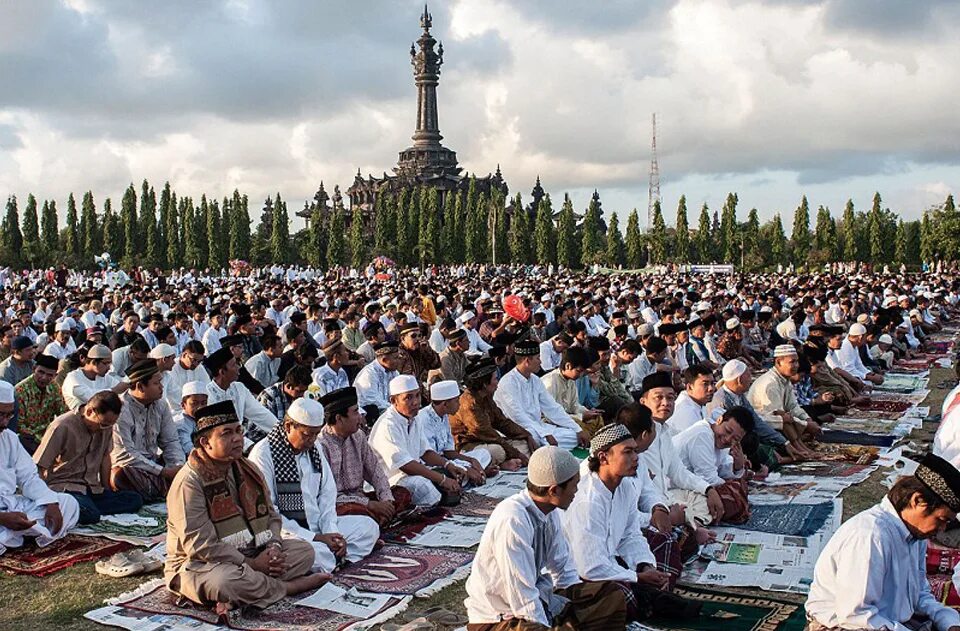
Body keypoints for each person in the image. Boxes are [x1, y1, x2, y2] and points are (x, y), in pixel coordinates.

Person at [164, 400, 327, 612]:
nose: (237, 439)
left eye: (239, 431)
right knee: (226, 582)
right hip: (201, 564)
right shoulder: (189, 482)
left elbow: (271, 516)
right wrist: (253, 564)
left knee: (305, 552)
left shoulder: (247, 469)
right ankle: (287, 587)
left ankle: (253, 588)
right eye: (226, 433)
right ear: (206, 442)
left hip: (252, 551)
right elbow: (200, 546)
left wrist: (274, 547)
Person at [464, 445, 628, 630]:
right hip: (499, 617)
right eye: (574, 484)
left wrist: (575, 601)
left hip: (541, 599)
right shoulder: (512, 520)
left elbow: (563, 570)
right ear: (554, 491)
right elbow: (522, 596)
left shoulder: (550, 512)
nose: (577, 490)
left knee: (609, 594)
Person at [805, 453, 960, 631]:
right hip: (845, 625)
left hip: (887, 621)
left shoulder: (916, 534)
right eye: (941, 519)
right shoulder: (870, 535)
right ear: (917, 501)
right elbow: (855, 616)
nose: (941, 529)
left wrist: (948, 622)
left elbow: (920, 595)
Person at [562, 423, 699, 623]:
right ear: (603, 457)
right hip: (579, 574)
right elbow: (589, 567)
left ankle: (650, 596)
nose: (636, 458)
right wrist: (637, 578)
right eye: (628, 452)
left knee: (667, 541)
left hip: (612, 560)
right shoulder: (587, 500)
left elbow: (630, 535)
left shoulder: (624, 486)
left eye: (636, 450)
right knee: (619, 596)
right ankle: (650, 597)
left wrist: (644, 566)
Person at [249, 398, 378, 574]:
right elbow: (269, 512)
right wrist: (316, 538)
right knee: (315, 553)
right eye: (307, 434)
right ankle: (336, 560)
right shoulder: (263, 454)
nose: (312, 440)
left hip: (318, 527)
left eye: (316, 434)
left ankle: (335, 559)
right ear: (288, 426)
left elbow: (327, 494)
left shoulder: (314, 449)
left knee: (368, 527)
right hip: (287, 534)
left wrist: (332, 534)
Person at [34, 391, 143, 525]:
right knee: (90, 513)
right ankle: (77, 508)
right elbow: (40, 465)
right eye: (103, 424)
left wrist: (106, 489)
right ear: (90, 411)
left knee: (135, 499)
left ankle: (84, 508)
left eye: (110, 424)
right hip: (66, 488)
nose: (105, 428)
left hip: (91, 489)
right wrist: (47, 499)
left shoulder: (107, 427)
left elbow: (105, 458)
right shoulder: (62, 426)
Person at [0, 380, 79, 555]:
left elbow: (28, 478)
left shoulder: (9, 438)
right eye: (1, 415)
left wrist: (49, 502)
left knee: (68, 503)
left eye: (9, 415)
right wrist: (2, 518)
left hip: (12, 506)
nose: (5, 422)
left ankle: (16, 534)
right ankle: (21, 533)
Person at [638, 371, 723, 528]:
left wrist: (708, 488)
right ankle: (689, 528)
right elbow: (643, 492)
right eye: (658, 397)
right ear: (643, 401)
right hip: (649, 506)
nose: (665, 403)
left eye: (670, 398)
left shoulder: (665, 432)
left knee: (704, 499)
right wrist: (665, 512)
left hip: (667, 497)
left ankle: (690, 526)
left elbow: (679, 473)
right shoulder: (637, 437)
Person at [317, 387, 410, 528]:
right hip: (339, 504)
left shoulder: (358, 436)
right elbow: (327, 496)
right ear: (339, 418)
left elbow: (375, 471)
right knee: (355, 512)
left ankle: (380, 518)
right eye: (355, 412)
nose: (360, 417)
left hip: (362, 497)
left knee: (403, 494)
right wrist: (370, 505)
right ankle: (376, 520)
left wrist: (387, 501)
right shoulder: (321, 446)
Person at [368, 375, 461, 507]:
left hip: (413, 472)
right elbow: (405, 465)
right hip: (392, 480)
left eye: (417, 395)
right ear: (394, 401)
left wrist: (448, 466)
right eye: (408, 397)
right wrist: (442, 479)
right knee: (424, 487)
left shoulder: (413, 418)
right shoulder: (388, 425)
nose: (416, 402)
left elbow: (425, 453)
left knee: (452, 472)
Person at [110, 359, 185, 502]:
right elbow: (124, 454)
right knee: (119, 476)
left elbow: (171, 441)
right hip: (133, 467)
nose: (162, 387)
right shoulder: (120, 409)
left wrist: (177, 467)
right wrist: (163, 472)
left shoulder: (161, 405)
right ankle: (167, 488)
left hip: (155, 465)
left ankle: (164, 488)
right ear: (140, 386)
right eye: (156, 383)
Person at [494, 340, 589, 449]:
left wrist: (578, 429)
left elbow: (552, 407)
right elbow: (517, 416)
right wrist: (544, 433)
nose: (541, 362)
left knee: (572, 435)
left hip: (538, 426)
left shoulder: (535, 380)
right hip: (519, 429)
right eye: (538, 358)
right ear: (527, 361)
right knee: (535, 438)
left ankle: (546, 448)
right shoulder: (508, 382)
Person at [674, 407, 755, 524]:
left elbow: (720, 470)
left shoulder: (719, 440)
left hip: (695, 485)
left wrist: (737, 466)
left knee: (736, 489)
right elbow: (707, 478)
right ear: (719, 420)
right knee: (729, 495)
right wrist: (734, 490)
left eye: (735, 439)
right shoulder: (702, 434)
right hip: (673, 488)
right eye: (727, 431)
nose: (727, 439)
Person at [449, 359, 534, 471]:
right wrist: (517, 454)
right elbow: (489, 434)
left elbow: (502, 422)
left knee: (523, 443)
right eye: (495, 379)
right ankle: (501, 464)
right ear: (484, 384)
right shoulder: (469, 404)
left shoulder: (486, 397)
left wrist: (526, 434)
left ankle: (506, 462)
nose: (497, 382)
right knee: (498, 451)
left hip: (487, 441)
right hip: (468, 446)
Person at [748, 344, 821, 452]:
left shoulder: (784, 380)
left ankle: (799, 446)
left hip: (779, 421)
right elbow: (778, 415)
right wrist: (806, 425)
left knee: (793, 418)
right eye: (792, 362)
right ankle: (799, 448)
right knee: (784, 419)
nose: (796, 365)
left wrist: (808, 420)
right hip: (763, 424)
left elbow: (793, 406)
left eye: (797, 361)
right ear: (778, 362)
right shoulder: (770, 384)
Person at [418, 380, 492, 483]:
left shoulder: (444, 416)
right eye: (456, 401)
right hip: (433, 466)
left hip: (447, 460)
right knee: (450, 473)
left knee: (483, 454)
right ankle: (474, 475)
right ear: (445, 404)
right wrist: (465, 467)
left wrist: (471, 461)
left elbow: (449, 452)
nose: (459, 405)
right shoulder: (423, 419)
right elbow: (431, 459)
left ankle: (474, 474)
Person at [204, 347, 278, 445]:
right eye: (234, 365)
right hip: (222, 444)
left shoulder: (239, 388)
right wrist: (249, 446)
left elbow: (260, 414)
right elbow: (222, 430)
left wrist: (281, 430)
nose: (239, 367)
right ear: (222, 372)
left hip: (240, 439)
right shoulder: (208, 395)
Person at [541, 347, 605, 437]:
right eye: (579, 371)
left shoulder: (571, 381)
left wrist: (588, 412)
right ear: (568, 366)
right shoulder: (550, 382)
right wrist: (581, 417)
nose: (581, 375)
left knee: (597, 419)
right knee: (578, 427)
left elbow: (574, 406)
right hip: (549, 423)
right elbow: (551, 416)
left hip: (569, 418)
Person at [14, 354, 67, 454]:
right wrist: (42, 439)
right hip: (28, 437)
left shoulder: (54, 387)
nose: (43, 378)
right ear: (34, 369)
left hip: (48, 434)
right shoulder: (20, 390)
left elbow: (63, 412)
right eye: (41, 372)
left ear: (55, 375)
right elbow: (19, 425)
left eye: (49, 375)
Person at [61, 344, 127, 411]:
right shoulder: (73, 378)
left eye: (110, 364)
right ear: (94, 362)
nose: (109, 368)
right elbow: (88, 396)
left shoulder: (105, 377)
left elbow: (121, 389)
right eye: (105, 363)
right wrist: (113, 390)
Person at [354, 341, 402, 420]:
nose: (399, 360)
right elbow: (373, 401)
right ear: (384, 360)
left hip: (390, 411)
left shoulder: (394, 372)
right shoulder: (368, 374)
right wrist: (397, 409)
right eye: (396, 358)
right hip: (371, 416)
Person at [664, 364, 716, 436]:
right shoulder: (686, 412)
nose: (711, 389)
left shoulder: (698, 403)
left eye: (712, 383)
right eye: (705, 384)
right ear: (690, 387)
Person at [164, 341, 209, 413]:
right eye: (194, 360)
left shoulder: (199, 368)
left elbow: (207, 388)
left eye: (199, 361)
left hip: (198, 409)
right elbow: (174, 399)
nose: (196, 364)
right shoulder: (172, 368)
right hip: (177, 412)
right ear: (184, 355)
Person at [173, 381, 208, 456]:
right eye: (194, 403)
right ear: (183, 405)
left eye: (203, 403)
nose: (200, 407)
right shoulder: (181, 423)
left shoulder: (205, 419)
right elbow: (188, 449)